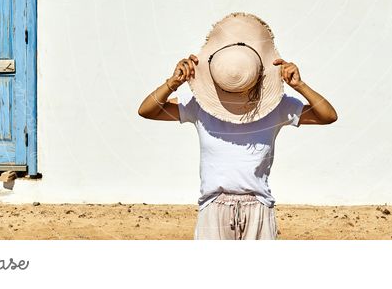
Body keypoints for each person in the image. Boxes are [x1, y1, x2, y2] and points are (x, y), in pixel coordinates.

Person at [138, 12, 337, 240]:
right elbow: (147, 110)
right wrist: (172, 83)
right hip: (213, 207)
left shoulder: (278, 107)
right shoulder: (199, 106)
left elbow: (328, 115)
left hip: (258, 207)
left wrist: (300, 85)